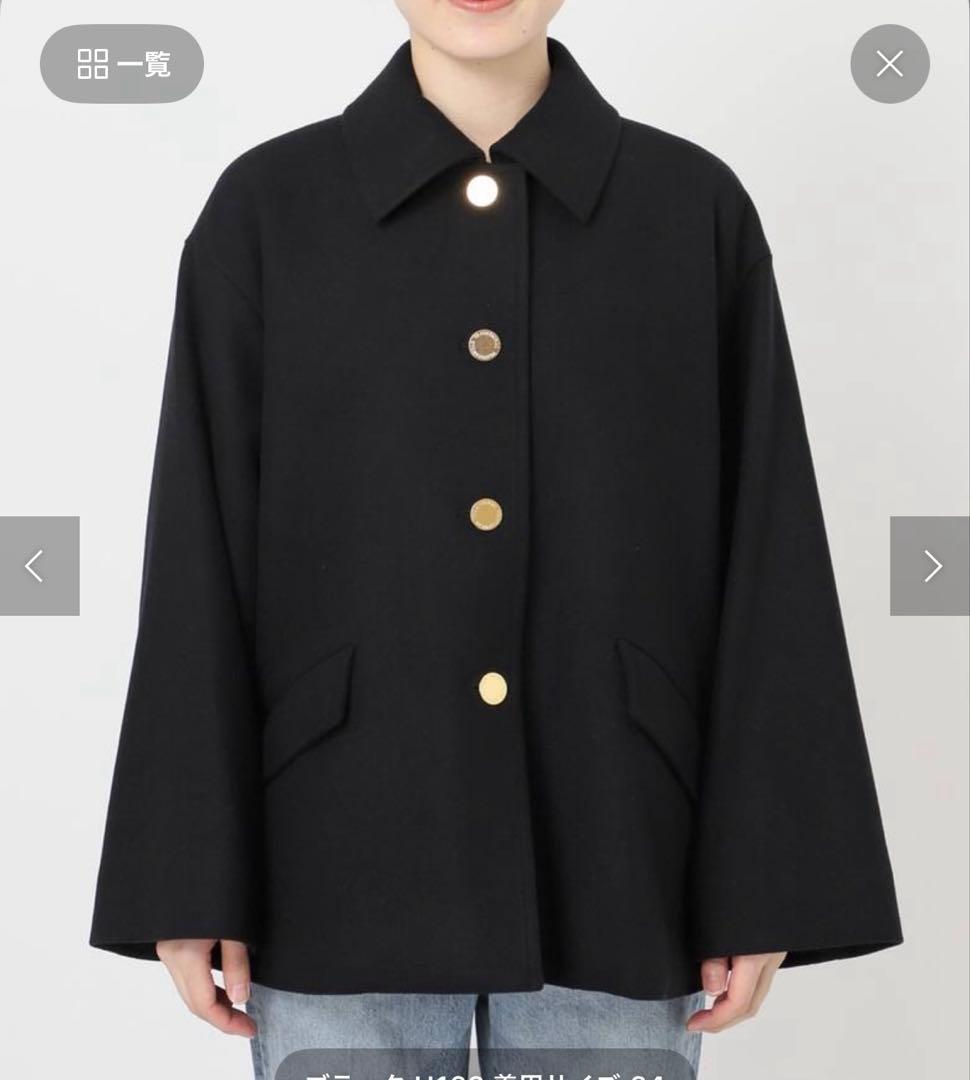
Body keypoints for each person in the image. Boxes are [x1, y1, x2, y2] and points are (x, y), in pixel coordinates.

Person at [89, 2, 903, 1077]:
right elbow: (201, 548)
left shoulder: (688, 208)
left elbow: (768, 548)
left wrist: (763, 879)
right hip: (335, 856)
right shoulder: (270, 209)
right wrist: (189, 873)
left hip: (619, 851)